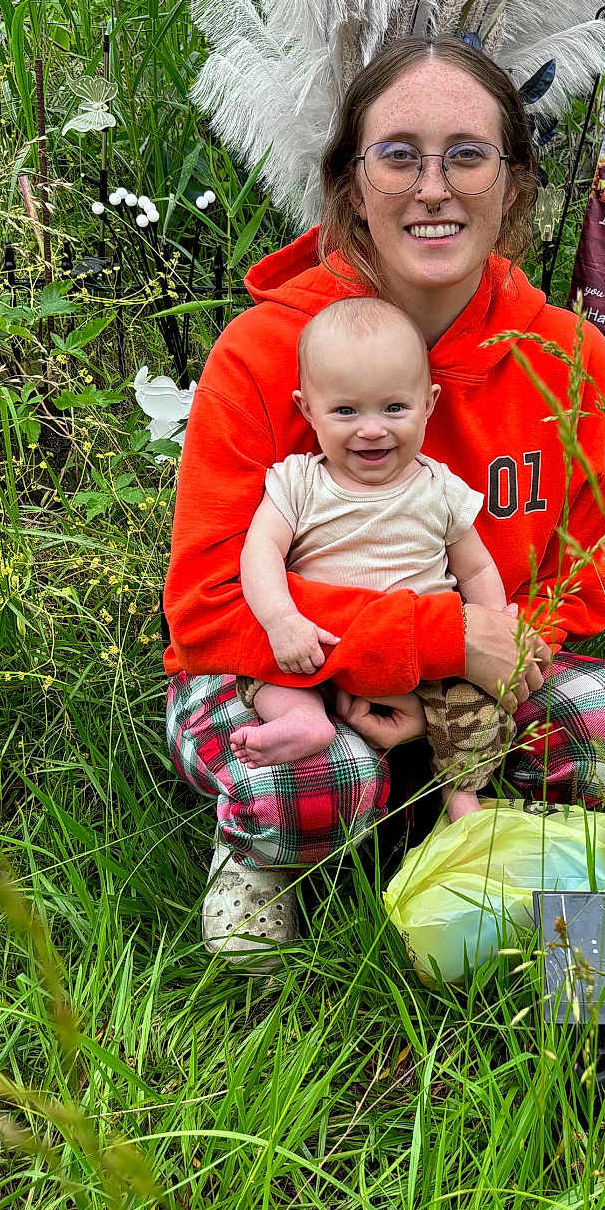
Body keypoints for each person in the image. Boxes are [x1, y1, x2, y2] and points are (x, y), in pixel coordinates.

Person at [163, 36, 605, 970]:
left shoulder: (567, 359)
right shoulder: (266, 354)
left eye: (468, 155)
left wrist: (465, 681)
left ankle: (564, 942)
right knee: (316, 776)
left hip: (472, 680)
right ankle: (268, 872)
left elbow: (584, 572)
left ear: (513, 183)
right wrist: (426, 645)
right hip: (285, 675)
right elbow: (208, 605)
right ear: (353, 183)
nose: (434, 187)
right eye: (399, 155)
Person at [231, 294, 512, 826]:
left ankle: (463, 796)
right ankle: (303, 722)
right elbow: (260, 552)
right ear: (306, 410)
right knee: (267, 675)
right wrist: (282, 620)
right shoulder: (298, 482)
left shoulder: (441, 490)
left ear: (428, 404)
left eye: (394, 408)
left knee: (475, 709)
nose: (372, 429)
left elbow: (475, 569)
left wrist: (492, 622)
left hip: (423, 664)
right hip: (320, 653)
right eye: (345, 411)